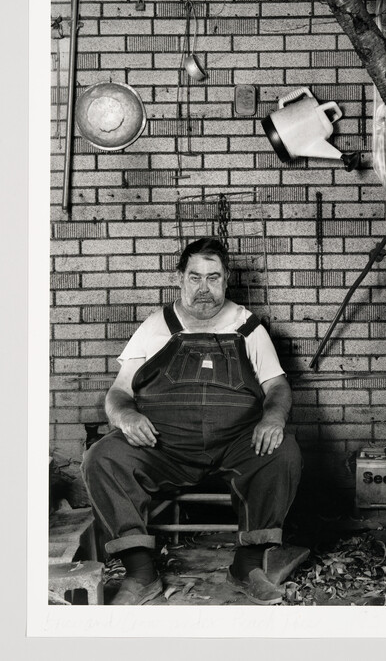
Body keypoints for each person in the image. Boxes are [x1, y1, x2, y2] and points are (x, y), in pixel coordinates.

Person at [82, 237, 307, 605]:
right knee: (102, 458)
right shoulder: (156, 326)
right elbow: (118, 392)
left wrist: (273, 418)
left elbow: (277, 386)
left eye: (213, 278)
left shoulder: (247, 327)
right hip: (163, 447)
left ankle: (247, 565)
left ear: (226, 279)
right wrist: (126, 416)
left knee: (283, 452)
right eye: (195, 277)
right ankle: (141, 573)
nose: (204, 288)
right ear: (180, 279)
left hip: (237, 445)